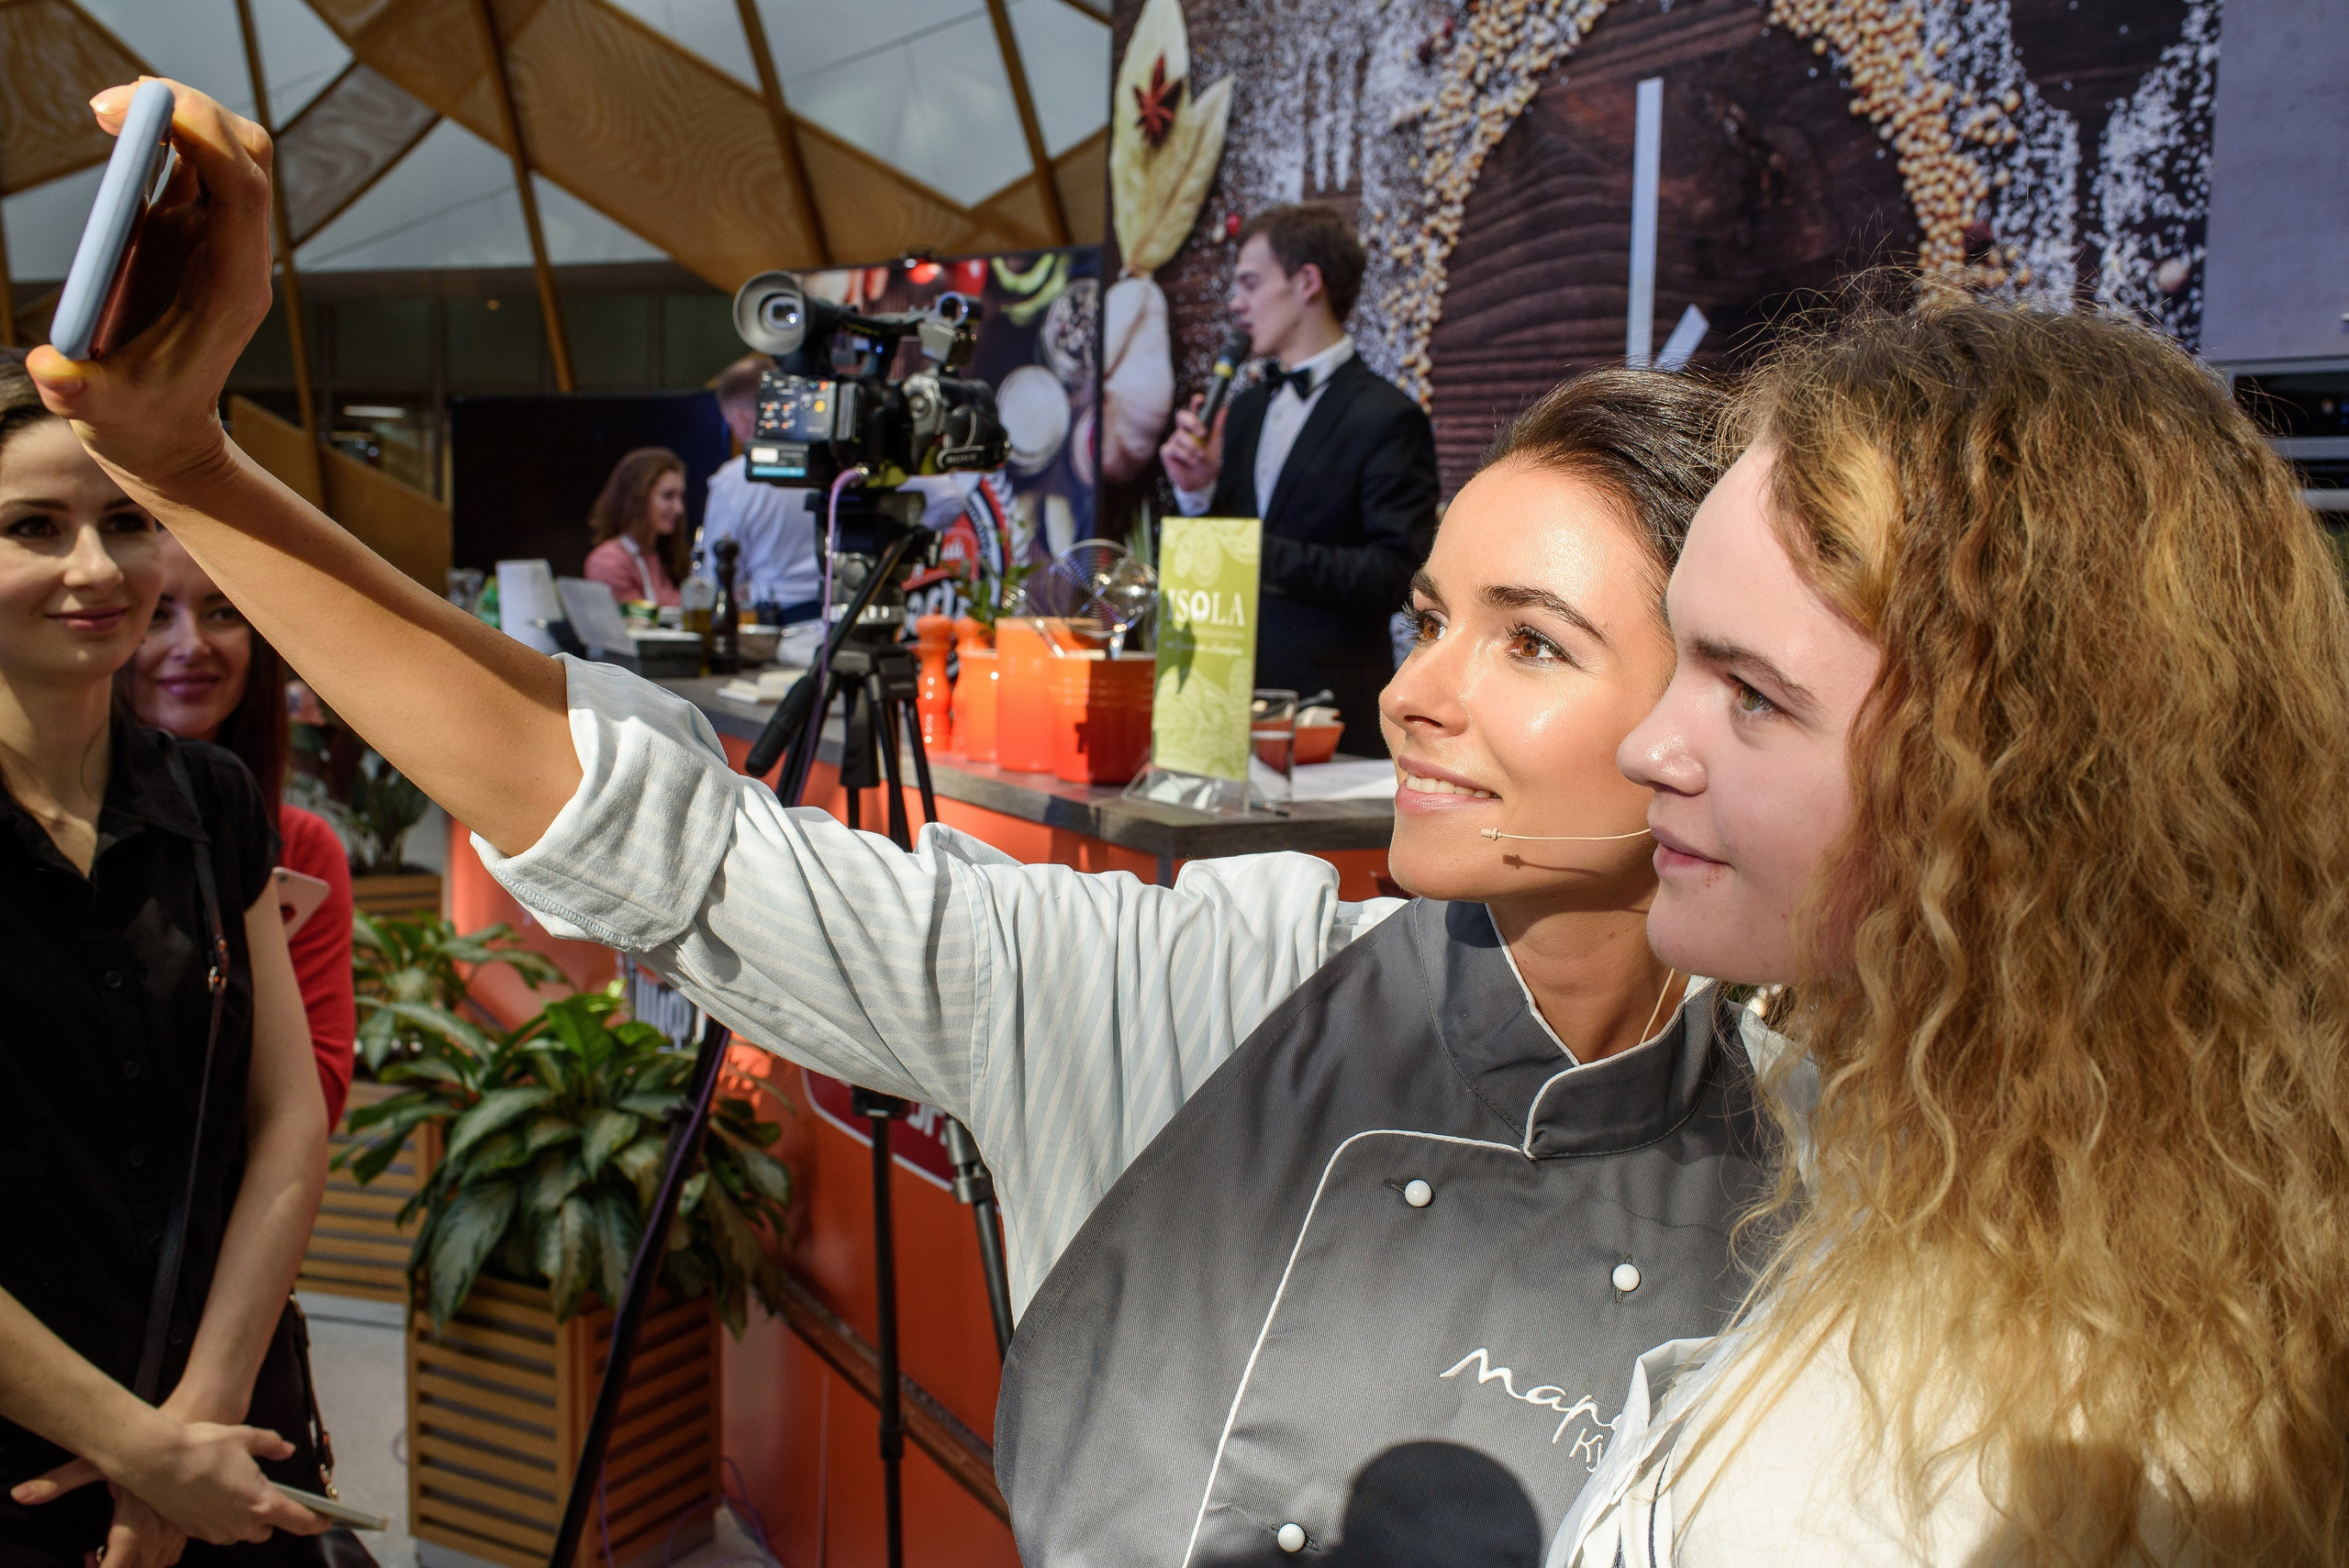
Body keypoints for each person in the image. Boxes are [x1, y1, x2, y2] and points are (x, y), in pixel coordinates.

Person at [36, 82, 1762, 1567]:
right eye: (1432, 620)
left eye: (1533, 642)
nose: (1413, 694)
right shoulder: (1220, 983)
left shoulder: (1845, 1151)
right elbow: (668, 841)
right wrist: (189, 468)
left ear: (1724, 709)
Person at [1550, 298, 2349, 1566]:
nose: (1650, 745)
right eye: (1679, 661)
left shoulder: (1971, 1470)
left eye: (1751, 695)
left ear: (2022, 788)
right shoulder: (2002, 1173)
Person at [0, 348, 328, 1565]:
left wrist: (195, 1425)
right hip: (28, 1460)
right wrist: (136, 1450)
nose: (96, 567)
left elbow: (287, 1114)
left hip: (233, 1433)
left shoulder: (212, 795)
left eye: (125, 521)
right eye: (35, 527)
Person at [1159, 204, 1441, 758]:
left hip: (1328, 713)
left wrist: (1254, 553)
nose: (1236, 303)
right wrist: (1196, 492)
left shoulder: (1387, 416)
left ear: (1308, 281)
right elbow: (1215, 563)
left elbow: (1397, 575)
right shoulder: (1244, 411)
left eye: (1251, 283)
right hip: (1220, 700)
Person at [124, 532, 357, 1128]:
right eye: (156, 615)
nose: (192, 645)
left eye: (223, 612)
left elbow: (317, 1095)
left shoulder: (302, 847)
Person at [701, 356, 821, 623]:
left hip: (781, 627)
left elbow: (718, 580)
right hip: (847, 620)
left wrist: (751, 589)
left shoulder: (733, 480)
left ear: (740, 418)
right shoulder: (831, 464)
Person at [580, 447, 685, 608]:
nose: (679, 508)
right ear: (637, 499)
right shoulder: (608, 561)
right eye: (668, 496)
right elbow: (636, 622)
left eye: (680, 496)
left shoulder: (668, 555)